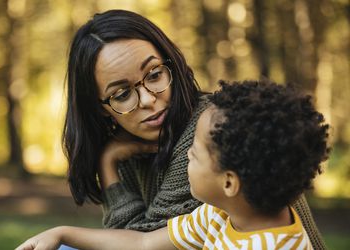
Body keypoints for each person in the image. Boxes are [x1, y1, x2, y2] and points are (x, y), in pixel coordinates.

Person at [52, 9, 324, 248]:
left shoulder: (211, 134)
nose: (148, 100)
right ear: (100, 107)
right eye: (122, 94)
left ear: (173, 64)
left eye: (155, 75)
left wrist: (107, 164)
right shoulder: (211, 215)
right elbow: (140, 243)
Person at [16, 80, 330, 250]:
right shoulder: (222, 213)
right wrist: (62, 234)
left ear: (229, 182)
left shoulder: (268, 246)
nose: (186, 158)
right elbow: (143, 242)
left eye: (193, 154)